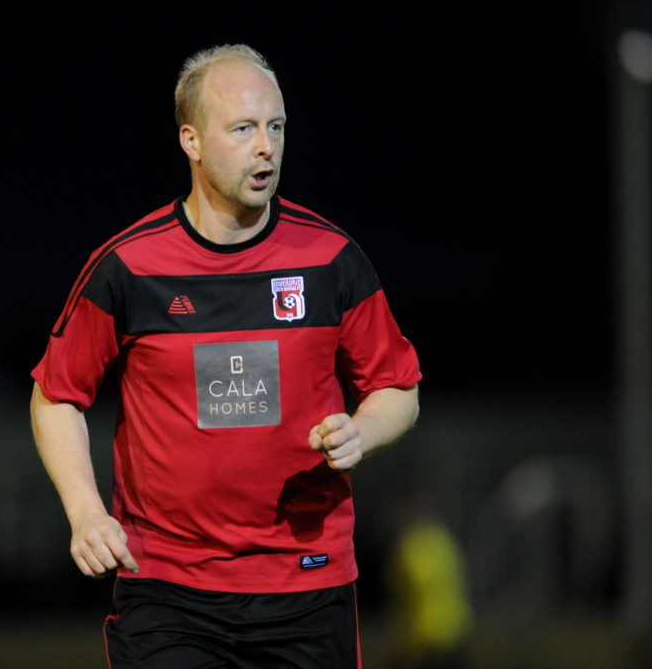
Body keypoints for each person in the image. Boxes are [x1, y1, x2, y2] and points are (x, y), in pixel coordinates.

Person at [30, 43, 421, 668]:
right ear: (191, 140)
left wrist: (363, 431)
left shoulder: (331, 260)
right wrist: (85, 512)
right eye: (243, 129)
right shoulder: (129, 267)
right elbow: (55, 395)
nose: (266, 145)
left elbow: (400, 389)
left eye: (276, 126)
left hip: (308, 583)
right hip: (168, 591)